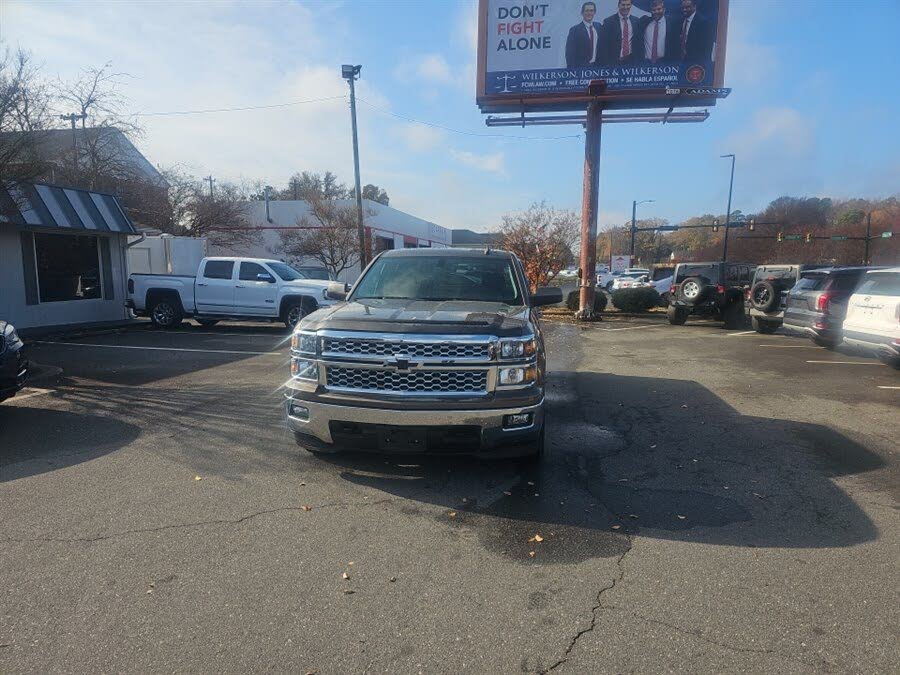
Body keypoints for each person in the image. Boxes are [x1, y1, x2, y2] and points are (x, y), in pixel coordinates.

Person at [602, 0, 643, 66]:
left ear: (631, 5)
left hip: (631, 61)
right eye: (623, 5)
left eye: (628, 5)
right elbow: (604, 45)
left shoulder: (636, 21)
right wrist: (606, 63)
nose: (625, 7)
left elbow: (638, 42)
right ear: (618, 5)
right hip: (613, 62)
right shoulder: (608, 22)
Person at [565, 2, 604, 68]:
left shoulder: (599, 27)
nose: (589, 13)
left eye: (591, 10)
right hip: (581, 69)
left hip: (598, 68)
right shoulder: (574, 30)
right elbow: (569, 54)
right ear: (582, 13)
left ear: (594, 12)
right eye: (587, 11)